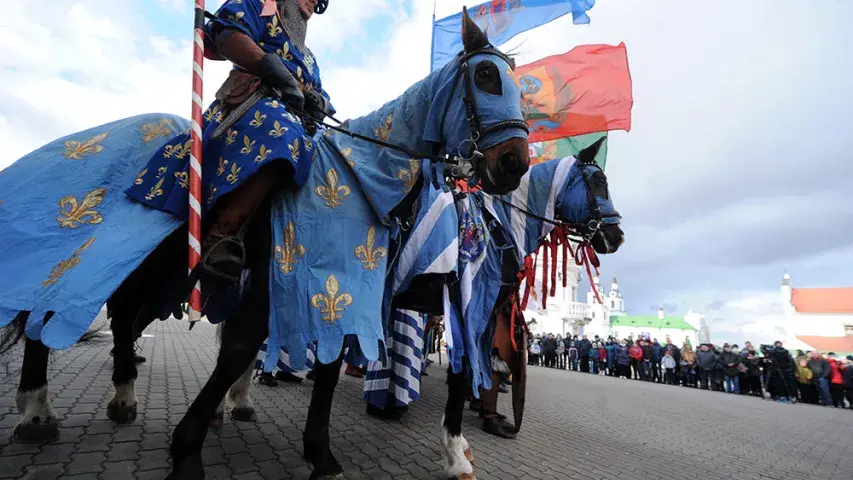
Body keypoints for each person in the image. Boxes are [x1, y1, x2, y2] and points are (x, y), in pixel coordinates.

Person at [126, 0, 335, 284]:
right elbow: (227, 36)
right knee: (284, 136)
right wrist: (277, 72)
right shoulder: (260, 6)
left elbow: (321, 94)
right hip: (254, 107)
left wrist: (318, 101)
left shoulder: (309, 58)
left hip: (301, 122)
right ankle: (221, 237)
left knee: (331, 159)